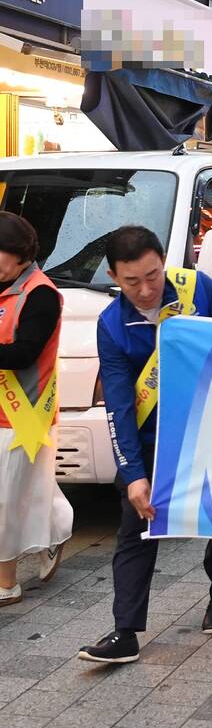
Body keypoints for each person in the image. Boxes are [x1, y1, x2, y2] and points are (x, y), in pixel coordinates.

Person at [79, 226, 212, 664]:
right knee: (134, 529)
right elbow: (119, 404)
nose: (145, 289)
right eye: (131, 281)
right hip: (152, 439)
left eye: (153, 275)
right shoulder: (112, 324)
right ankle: (125, 631)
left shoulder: (198, 290)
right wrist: (134, 474)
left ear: (164, 263)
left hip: (211, 428)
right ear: (114, 277)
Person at [0, 213, 71, 608]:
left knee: (5, 500)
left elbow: (25, 354)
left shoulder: (40, 295)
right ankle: (57, 528)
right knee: (25, 488)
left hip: (21, 414)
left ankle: (6, 583)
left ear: (19, 254)